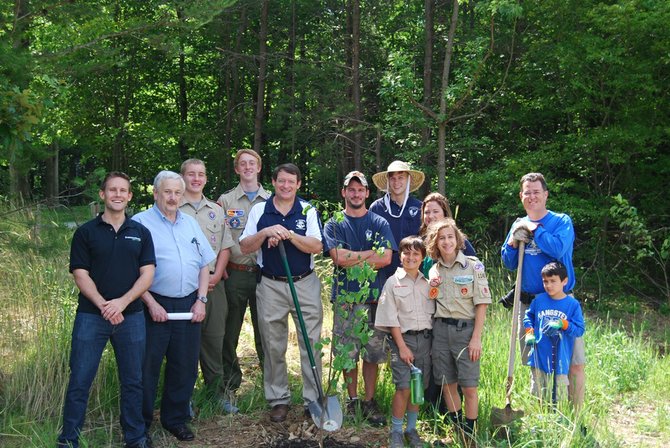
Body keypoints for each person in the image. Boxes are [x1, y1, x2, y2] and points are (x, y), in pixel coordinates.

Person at [58, 172, 155, 448]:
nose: (117, 194)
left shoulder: (140, 232)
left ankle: (135, 438)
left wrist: (122, 303)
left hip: (132, 316)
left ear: (130, 197)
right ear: (102, 195)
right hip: (92, 316)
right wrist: (104, 305)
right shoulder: (86, 232)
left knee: (133, 381)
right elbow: (80, 273)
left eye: (123, 190)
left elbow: (147, 275)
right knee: (80, 379)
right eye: (112, 190)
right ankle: (68, 440)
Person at [132, 171, 216, 442]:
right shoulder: (139, 223)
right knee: (148, 367)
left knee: (185, 366)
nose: (172, 197)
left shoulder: (190, 223)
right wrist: (151, 303)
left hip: (188, 304)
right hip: (152, 303)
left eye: (177, 193)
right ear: (156, 193)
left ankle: (175, 419)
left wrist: (201, 300)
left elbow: (204, 264)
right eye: (167, 192)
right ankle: (140, 425)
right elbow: (132, 270)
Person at [239, 163, 323, 423]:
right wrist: (266, 232)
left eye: (292, 182)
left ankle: (314, 399)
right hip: (271, 284)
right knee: (273, 344)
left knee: (311, 342)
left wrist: (288, 235)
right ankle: (278, 399)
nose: (286, 186)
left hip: (304, 283)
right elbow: (244, 246)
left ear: (298, 184)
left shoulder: (307, 209)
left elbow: (317, 245)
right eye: (281, 181)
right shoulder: (259, 210)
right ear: (273, 182)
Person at [500, 172, 585, 407]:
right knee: (534, 359)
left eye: (536, 192)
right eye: (527, 192)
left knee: (573, 362)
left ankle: (575, 417)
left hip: (561, 304)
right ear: (521, 196)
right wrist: (512, 241)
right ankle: (541, 413)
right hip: (530, 307)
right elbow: (508, 262)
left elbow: (557, 249)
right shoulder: (518, 223)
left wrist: (535, 229)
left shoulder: (561, 222)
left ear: (546, 195)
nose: (532, 196)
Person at [322, 171, 396, 426]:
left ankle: (369, 399)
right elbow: (338, 259)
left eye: (360, 189)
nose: (355, 194)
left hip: (374, 298)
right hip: (345, 300)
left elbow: (385, 258)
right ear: (344, 192)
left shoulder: (379, 222)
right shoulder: (334, 223)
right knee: (347, 353)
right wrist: (368, 254)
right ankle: (352, 400)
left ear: (367, 193)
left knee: (372, 354)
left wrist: (352, 255)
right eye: (350, 189)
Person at [426, 218, 491, 442]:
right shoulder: (434, 269)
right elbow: (432, 302)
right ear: (435, 242)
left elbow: (481, 303)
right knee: (447, 384)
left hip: (466, 332)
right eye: (441, 238)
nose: (446, 242)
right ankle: (458, 432)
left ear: (458, 239)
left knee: (469, 386)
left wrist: (476, 338)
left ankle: (470, 436)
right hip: (441, 331)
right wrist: (430, 286)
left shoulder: (473, 266)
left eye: (450, 237)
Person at [179, 159, 235, 412]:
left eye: (201, 174)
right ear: (183, 178)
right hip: (184, 286)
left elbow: (225, 246)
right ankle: (184, 397)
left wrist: (217, 274)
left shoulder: (216, 209)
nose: (196, 178)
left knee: (215, 338)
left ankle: (216, 394)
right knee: (185, 342)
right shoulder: (173, 207)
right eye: (191, 174)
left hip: (214, 283)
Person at [217, 149, 270, 412]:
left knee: (267, 332)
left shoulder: (272, 200)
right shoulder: (226, 201)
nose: (247, 167)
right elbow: (217, 237)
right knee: (229, 332)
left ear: (259, 167)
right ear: (237, 169)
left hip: (264, 275)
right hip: (235, 273)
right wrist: (220, 266)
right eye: (242, 164)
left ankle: (272, 387)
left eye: (252, 163)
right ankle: (229, 386)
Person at [375, 236, 434, 448]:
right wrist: (401, 347)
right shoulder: (393, 283)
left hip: (425, 342)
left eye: (416, 254)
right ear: (400, 256)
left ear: (422, 257)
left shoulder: (427, 284)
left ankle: (411, 429)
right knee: (403, 387)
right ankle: (396, 431)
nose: (411, 257)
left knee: (418, 387)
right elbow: (391, 319)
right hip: (403, 342)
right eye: (406, 253)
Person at [523, 262, 585, 403]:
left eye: (553, 281)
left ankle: (558, 422)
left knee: (558, 397)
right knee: (537, 394)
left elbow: (579, 330)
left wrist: (563, 324)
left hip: (560, 360)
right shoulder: (539, 301)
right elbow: (529, 316)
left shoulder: (572, 305)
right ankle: (538, 421)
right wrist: (530, 332)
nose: (548, 285)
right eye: (545, 281)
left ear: (564, 281)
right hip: (539, 356)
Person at [370, 160, 425, 282]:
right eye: (393, 178)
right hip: (383, 277)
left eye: (401, 177)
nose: (396, 182)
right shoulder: (377, 208)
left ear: (408, 179)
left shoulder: (420, 207)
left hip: (414, 276)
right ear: (388, 181)